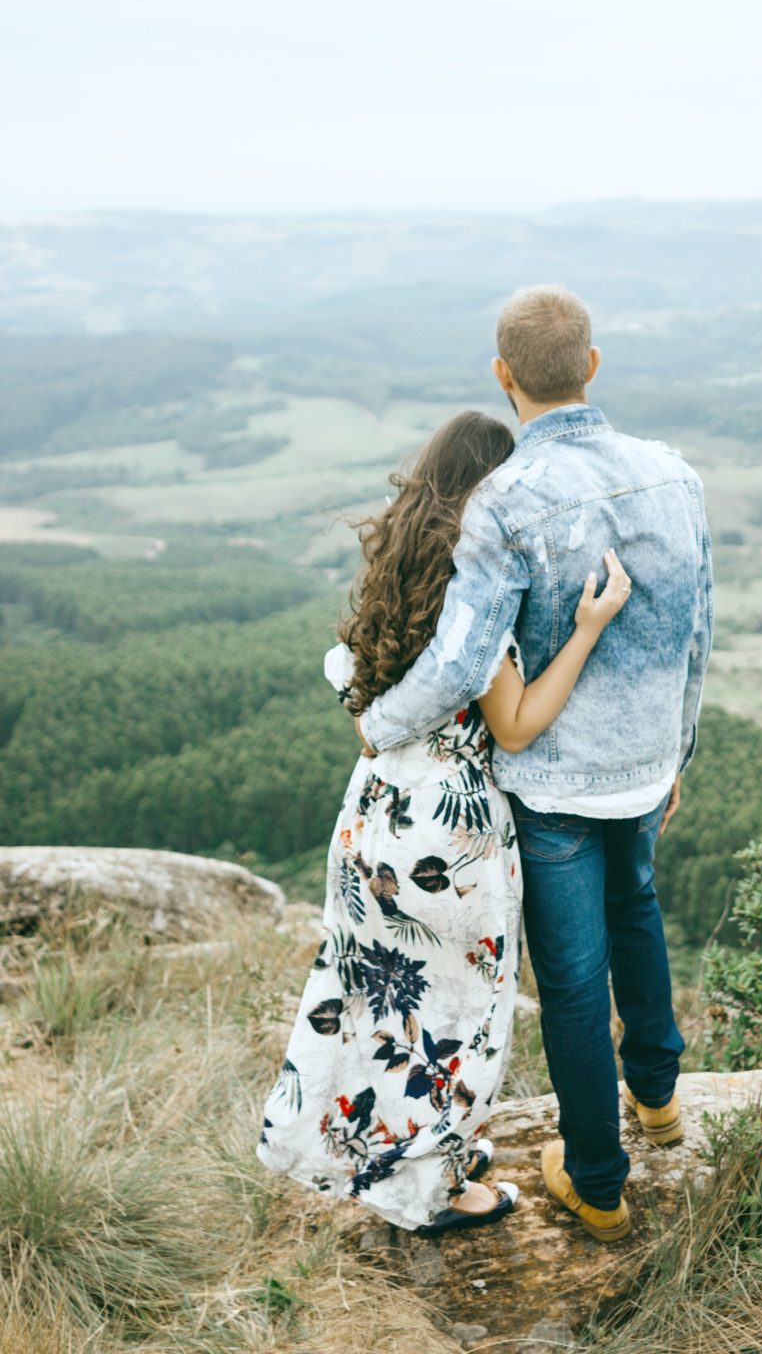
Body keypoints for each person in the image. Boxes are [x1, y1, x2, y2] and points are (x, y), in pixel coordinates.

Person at [357, 285, 713, 1243]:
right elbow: (696, 634)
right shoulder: (675, 478)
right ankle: (661, 1101)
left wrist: (379, 720)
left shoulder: (505, 501)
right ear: (593, 365)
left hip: (553, 784)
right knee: (638, 911)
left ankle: (597, 1181)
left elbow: (465, 662)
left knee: (571, 975)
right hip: (644, 764)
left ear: (503, 375)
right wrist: (678, 747)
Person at [256, 410, 632, 1235]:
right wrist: (587, 631)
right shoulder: (475, 604)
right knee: (456, 1015)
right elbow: (517, 725)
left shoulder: (397, 576)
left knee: (378, 1000)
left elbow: (353, 687)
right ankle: (435, 1191)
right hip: (449, 842)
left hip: (373, 816)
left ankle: (398, 1153)